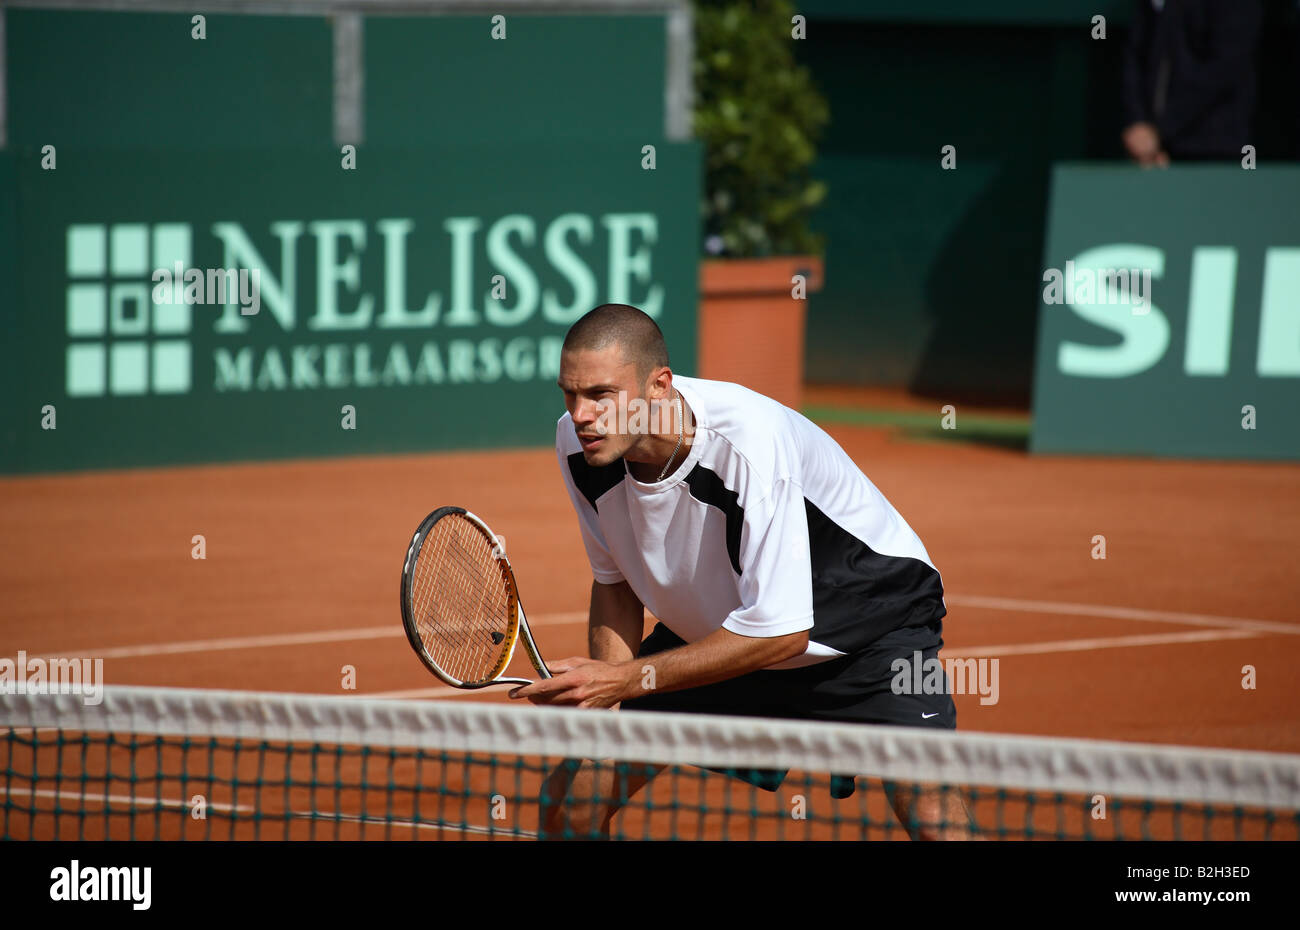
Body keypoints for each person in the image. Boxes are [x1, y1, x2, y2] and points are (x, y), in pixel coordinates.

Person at [511, 303, 972, 840]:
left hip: (866, 627)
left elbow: (784, 632)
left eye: (600, 395)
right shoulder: (580, 443)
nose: (581, 414)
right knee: (571, 801)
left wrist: (623, 679)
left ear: (659, 386)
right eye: (570, 393)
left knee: (934, 816)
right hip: (726, 633)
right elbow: (614, 582)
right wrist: (604, 709)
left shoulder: (747, 443)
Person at [1121, 0, 1265, 165]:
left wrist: (1158, 131)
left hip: (1215, 150)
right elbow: (1136, 58)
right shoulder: (1152, 8)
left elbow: (1223, 70)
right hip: (1155, 150)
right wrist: (1140, 126)